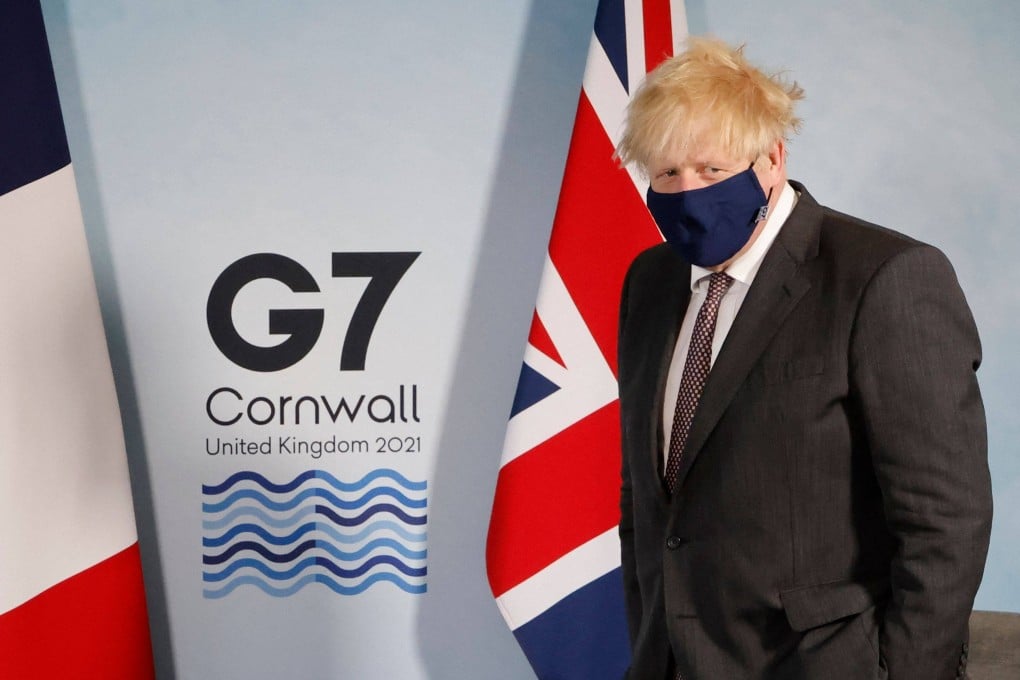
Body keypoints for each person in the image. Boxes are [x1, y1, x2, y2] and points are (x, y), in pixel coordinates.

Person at [614, 37, 992, 680]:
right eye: (666, 172)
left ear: (772, 158)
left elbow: (944, 520)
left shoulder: (886, 277)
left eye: (711, 168)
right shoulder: (650, 281)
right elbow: (648, 502)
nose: (687, 190)